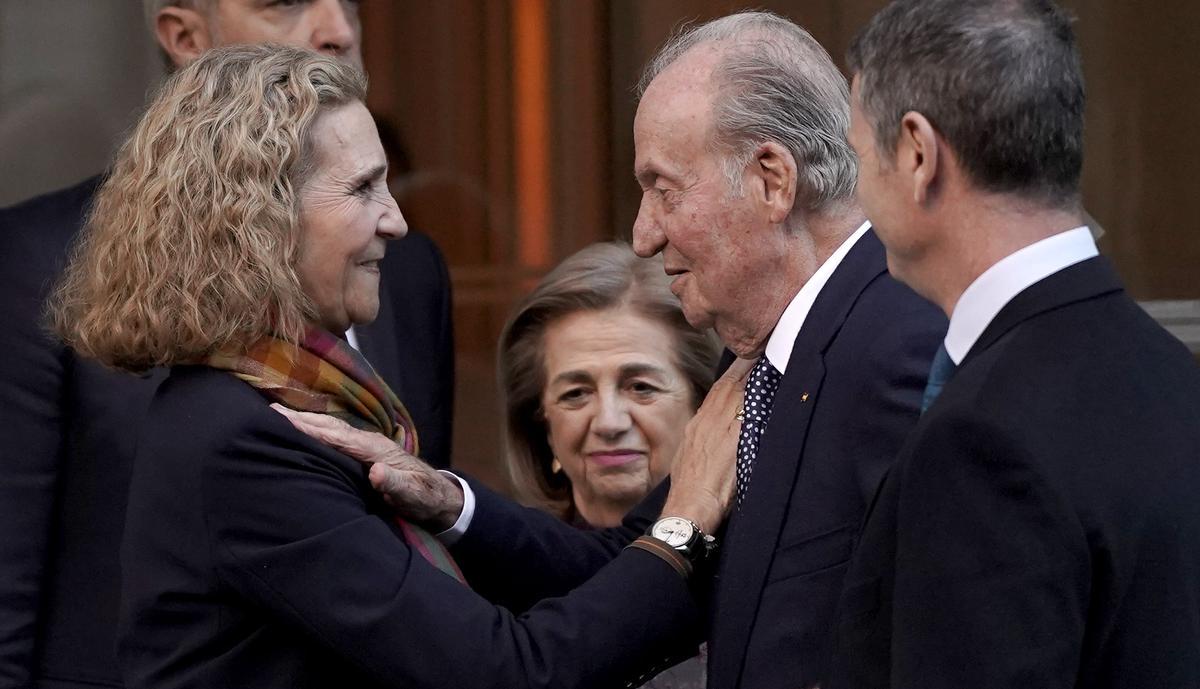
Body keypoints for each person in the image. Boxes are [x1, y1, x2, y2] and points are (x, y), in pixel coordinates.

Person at [283, 11, 946, 689]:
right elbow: (627, 560)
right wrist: (448, 502)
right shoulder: (762, 360)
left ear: (772, 180)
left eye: (662, 188)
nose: (643, 233)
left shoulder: (897, 345)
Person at [52, 45, 748, 689]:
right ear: (259, 222)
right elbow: (509, 671)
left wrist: (451, 503)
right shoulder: (242, 440)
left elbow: (593, 572)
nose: (396, 221)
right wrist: (681, 526)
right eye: (363, 189)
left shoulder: (290, 401)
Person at [0, 1, 452, 687]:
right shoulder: (37, 260)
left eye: (349, 1)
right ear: (185, 36)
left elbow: (417, 530)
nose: (338, 27)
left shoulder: (408, 270)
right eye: (283, 2)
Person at [827, 1, 1200, 687]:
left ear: (917, 152)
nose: (857, 188)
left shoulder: (980, 441)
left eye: (856, 153)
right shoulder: (1176, 374)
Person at [500, 242, 719, 528]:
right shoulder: (495, 570)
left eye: (641, 388)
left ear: (703, 404)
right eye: (576, 393)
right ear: (542, 423)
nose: (609, 423)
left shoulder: (765, 560)